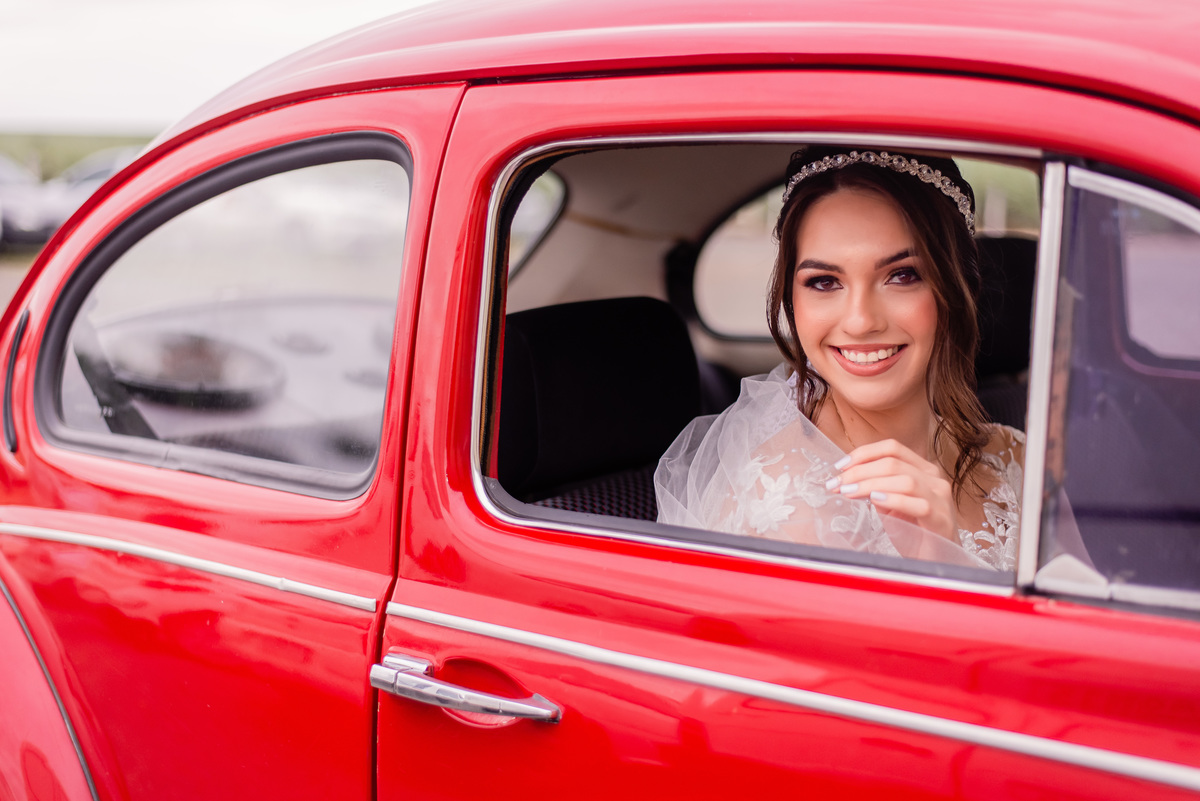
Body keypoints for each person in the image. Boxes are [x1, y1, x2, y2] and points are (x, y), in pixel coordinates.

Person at [655, 147, 1023, 570]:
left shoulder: (1015, 457)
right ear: (791, 300)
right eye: (824, 281)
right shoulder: (790, 511)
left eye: (902, 275)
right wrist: (942, 564)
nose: (861, 321)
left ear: (958, 290)